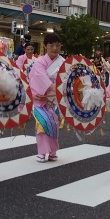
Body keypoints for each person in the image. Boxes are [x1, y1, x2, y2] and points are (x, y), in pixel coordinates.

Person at [29, 33, 64, 162]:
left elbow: (66, 78)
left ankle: (53, 151)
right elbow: (39, 76)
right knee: (42, 124)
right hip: (40, 97)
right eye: (51, 45)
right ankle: (42, 152)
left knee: (54, 125)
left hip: (55, 99)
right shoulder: (39, 62)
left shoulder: (63, 62)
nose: (54, 48)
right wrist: (53, 87)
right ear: (45, 46)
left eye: (57, 45)